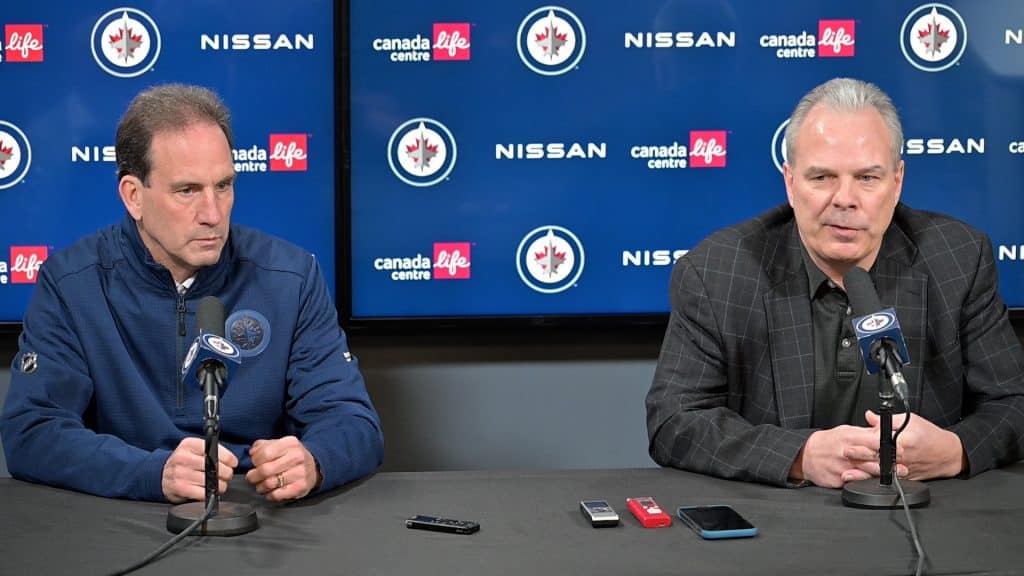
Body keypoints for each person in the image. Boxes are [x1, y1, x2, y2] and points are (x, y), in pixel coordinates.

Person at [1, 84, 383, 502]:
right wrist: (150, 473)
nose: (212, 214)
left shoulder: (291, 278)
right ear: (133, 196)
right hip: (124, 508)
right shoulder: (71, 283)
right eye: (187, 191)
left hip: (257, 509)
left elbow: (352, 421)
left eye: (223, 186)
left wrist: (315, 460)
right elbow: (32, 432)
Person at [646, 77, 1024, 489]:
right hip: (778, 521)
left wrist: (954, 450)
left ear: (897, 182)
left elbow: (1014, 403)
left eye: (867, 178)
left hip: (923, 514)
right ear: (790, 183)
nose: (845, 199)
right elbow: (673, 421)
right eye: (823, 177)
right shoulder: (719, 272)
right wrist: (799, 456)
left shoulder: (958, 260)